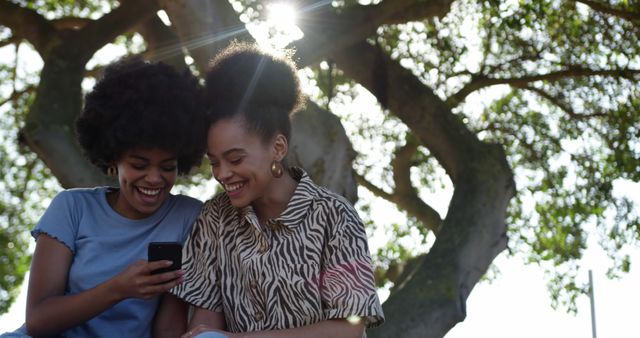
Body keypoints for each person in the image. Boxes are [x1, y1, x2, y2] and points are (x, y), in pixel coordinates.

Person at [160, 42, 384, 338]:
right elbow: (206, 320)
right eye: (214, 162)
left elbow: (349, 329)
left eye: (235, 159)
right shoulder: (215, 218)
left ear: (278, 148)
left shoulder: (335, 217)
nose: (222, 174)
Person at [9, 57, 207, 338]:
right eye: (139, 165)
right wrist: (118, 289)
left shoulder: (189, 216)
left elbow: (169, 326)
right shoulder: (71, 207)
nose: (154, 178)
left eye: (167, 167)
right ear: (113, 158)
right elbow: (39, 320)